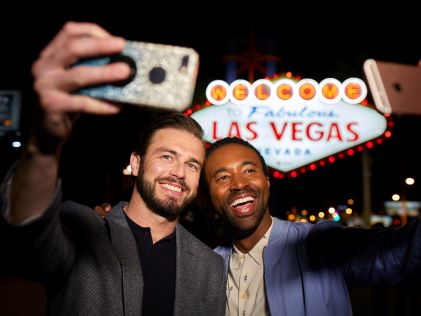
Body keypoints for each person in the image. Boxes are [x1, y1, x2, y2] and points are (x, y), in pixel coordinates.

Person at [0, 22, 226, 315]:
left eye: (192, 164)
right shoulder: (83, 229)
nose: (179, 172)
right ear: (135, 163)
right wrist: (43, 146)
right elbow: (29, 234)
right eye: (167, 156)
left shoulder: (210, 266)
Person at [201, 136, 421, 316]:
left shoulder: (319, 244)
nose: (239, 184)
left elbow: (403, 252)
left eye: (249, 171)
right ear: (209, 197)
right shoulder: (204, 268)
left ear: (267, 184)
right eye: (222, 177)